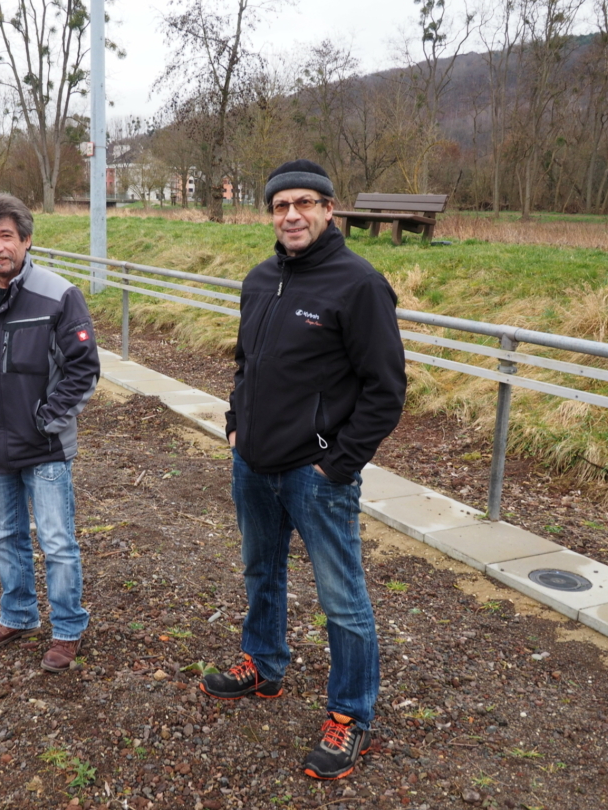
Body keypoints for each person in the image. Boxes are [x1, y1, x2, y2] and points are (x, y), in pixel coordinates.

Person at [200, 160, 407, 780]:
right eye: (280, 205)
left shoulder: (359, 284)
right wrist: (235, 424)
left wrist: (336, 465)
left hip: (314, 475)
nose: (291, 215)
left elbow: (386, 390)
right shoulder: (260, 280)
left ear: (328, 209)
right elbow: (246, 363)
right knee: (260, 570)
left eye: (305, 203)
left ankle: (350, 715)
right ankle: (263, 663)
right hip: (253, 464)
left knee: (342, 600)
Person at [0, 193, 99, 673]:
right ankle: (17, 615)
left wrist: (46, 420)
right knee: (5, 536)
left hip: (44, 448)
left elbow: (84, 370)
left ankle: (68, 629)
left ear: (27, 240)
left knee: (57, 543)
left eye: (6, 236)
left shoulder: (58, 296)